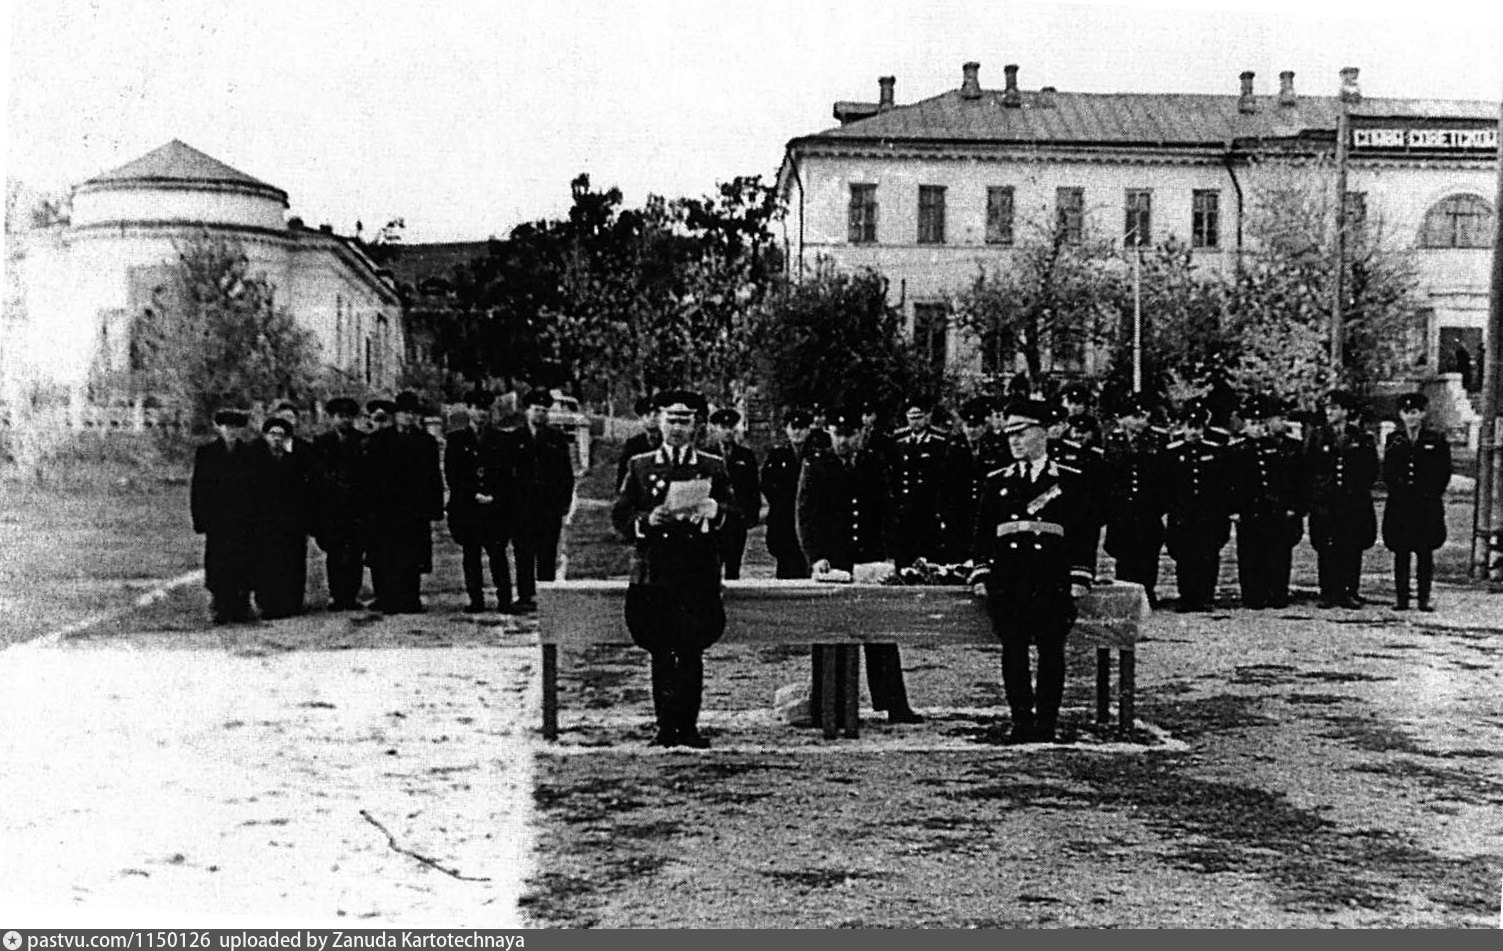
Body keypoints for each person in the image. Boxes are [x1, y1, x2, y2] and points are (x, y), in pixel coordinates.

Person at [612, 389, 735, 748]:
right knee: (661, 648)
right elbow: (620, 514)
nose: (677, 427)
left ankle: (689, 726)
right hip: (655, 573)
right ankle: (665, 726)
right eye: (671, 419)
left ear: (696, 425)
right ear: (659, 421)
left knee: (692, 648)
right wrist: (646, 519)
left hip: (696, 572)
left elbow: (736, 513)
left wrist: (716, 514)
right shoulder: (641, 464)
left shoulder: (712, 466)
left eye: (685, 420)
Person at [969, 399, 1096, 744]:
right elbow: (982, 533)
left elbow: (1084, 532)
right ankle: (1021, 721)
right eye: (1010, 434)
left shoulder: (1069, 480)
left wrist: (1080, 575)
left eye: (1022, 433)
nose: (1014, 441)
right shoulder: (997, 482)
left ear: (1042, 434)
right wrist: (981, 573)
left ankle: (1047, 724)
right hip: (1010, 581)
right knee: (1014, 650)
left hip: (1051, 579)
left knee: (1052, 651)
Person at [796, 406, 922, 725]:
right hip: (833, 561)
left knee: (881, 631)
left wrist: (892, 557)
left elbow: (889, 512)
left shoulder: (873, 464)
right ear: (829, 435)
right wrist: (816, 557)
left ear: (861, 435)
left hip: (870, 560)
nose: (844, 441)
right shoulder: (816, 465)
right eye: (838, 435)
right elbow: (806, 517)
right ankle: (829, 706)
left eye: (850, 434)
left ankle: (894, 704)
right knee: (831, 634)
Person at [364, 391, 444, 614]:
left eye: (412, 413)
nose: (408, 417)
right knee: (385, 553)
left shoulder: (425, 441)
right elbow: (369, 476)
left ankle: (410, 598)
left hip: (414, 509)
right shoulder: (379, 440)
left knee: (412, 555)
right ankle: (386, 598)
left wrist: (434, 507)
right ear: (395, 415)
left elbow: (433, 476)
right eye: (404, 413)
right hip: (386, 508)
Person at [1227, 395, 1306, 610]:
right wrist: (1233, 509)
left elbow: (1288, 481)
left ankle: (1277, 592)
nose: (1257, 428)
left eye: (1261, 423)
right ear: (1244, 425)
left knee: (1278, 552)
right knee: (1250, 553)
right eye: (1252, 423)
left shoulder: (1278, 449)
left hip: (1274, 510)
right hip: (1249, 511)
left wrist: (1291, 507)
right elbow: (1230, 483)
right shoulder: (1236, 451)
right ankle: (1253, 594)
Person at [1305, 390, 1378, 609]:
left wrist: (1356, 490)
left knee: (1352, 546)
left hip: (1352, 502)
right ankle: (1328, 591)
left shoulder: (1361, 437)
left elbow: (1371, 469)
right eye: (1327, 408)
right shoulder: (1317, 436)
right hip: (1326, 502)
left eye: (1335, 408)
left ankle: (1349, 591)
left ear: (1345, 411)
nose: (1329, 412)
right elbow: (1308, 468)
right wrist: (1315, 495)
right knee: (1326, 546)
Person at [445, 389, 516, 613]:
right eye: (476, 408)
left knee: (497, 554)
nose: (481, 414)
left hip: (495, 507)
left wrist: (495, 495)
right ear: (469, 410)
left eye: (485, 409)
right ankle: (475, 599)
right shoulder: (456, 440)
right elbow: (452, 474)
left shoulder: (502, 439)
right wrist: (472, 494)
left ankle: (504, 599)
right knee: (471, 554)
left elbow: (507, 473)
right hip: (469, 507)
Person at [507, 387, 576, 613]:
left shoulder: (555, 438)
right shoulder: (515, 438)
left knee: (547, 552)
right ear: (527, 411)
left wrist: (563, 503)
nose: (540, 414)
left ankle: (546, 595)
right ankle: (525, 595)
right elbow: (506, 474)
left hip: (548, 507)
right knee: (523, 552)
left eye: (544, 410)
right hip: (521, 508)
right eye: (536, 410)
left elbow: (566, 474)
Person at [190, 407, 261, 624]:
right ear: (218, 428)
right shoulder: (207, 453)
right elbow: (199, 489)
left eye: (235, 427)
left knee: (244, 561)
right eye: (226, 427)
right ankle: (219, 605)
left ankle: (242, 606)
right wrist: (201, 519)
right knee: (219, 563)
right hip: (218, 521)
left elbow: (257, 489)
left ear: (240, 430)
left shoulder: (250, 453)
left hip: (244, 520)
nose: (231, 431)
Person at [1382, 392, 1451, 611]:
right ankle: (1402, 598)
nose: (1410, 417)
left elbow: (1443, 472)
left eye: (1414, 412)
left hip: (1425, 505)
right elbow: (1389, 471)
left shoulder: (1435, 439)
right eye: (1406, 413)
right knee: (1401, 552)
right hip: (1401, 505)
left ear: (1422, 413)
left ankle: (1424, 598)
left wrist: (1431, 494)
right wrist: (1398, 491)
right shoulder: (1394, 439)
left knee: (1424, 551)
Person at [1163, 402, 1230, 612]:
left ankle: (1205, 596)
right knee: (1184, 555)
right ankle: (1187, 596)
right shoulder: (1172, 453)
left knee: (1208, 554)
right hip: (1183, 514)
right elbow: (1166, 485)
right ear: (1182, 427)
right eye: (1190, 426)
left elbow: (1222, 484)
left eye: (1198, 427)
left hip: (1208, 514)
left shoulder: (1214, 451)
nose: (1193, 431)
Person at [1102, 394, 1166, 606]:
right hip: (1122, 509)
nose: (1141, 422)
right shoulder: (1111, 442)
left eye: (1144, 416)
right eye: (1135, 416)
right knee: (1124, 552)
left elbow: (1164, 476)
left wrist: (1159, 504)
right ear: (1122, 419)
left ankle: (1147, 591)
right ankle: (1127, 594)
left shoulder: (1157, 441)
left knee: (1148, 552)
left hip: (1147, 508)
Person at [312, 397, 368, 611]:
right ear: (332, 418)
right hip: (332, 508)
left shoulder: (363, 441)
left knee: (355, 552)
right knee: (334, 553)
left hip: (356, 508)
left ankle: (352, 595)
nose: (344, 420)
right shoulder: (321, 442)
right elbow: (316, 478)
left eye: (348, 416)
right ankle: (336, 595)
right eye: (339, 416)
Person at [254, 416, 311, 619]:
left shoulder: (294, 460)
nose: (277, 439)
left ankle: (292, 602)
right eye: (273, 434)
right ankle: (268, 604)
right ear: (265, 436)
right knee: (267, 561)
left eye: (281, 435)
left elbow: (304, 490)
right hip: (265, 521)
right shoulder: (256, 460)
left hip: (291, 521)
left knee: (293, 562)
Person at [889, 396, 954, 568]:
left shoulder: (940, 442)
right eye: (911, 418)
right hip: (905, 512)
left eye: (919, 417)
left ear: (927, 417)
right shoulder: (899, 442)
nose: (915, 422)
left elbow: (943, 478)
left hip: (929, 511)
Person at [761, 408, 816, 579]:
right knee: (785, 570)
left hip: (810, 520)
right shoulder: (777, 456)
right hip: (784, 520)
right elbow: (767, 485)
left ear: (808, 430)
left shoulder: (816, 456)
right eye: (793, 427)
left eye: (802, 427)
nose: (797, 431)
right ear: (786, 429)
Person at [706, 408, 760, 580]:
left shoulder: (745, 455)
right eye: (723, 426)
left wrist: (751, 516)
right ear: (714, 428)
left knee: (733, 566)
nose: (728, 431)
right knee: (711, 566)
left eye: (731, 426)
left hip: (737, 520)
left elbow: (753, 488)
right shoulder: (706, 456)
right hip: (713, 520)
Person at [617, 395, 662, 490]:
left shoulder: (668, 442)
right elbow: (623, 471)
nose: (652, 418)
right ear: (641, 419)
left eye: (657, 414)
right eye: (647, 414)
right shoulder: (632, 444)